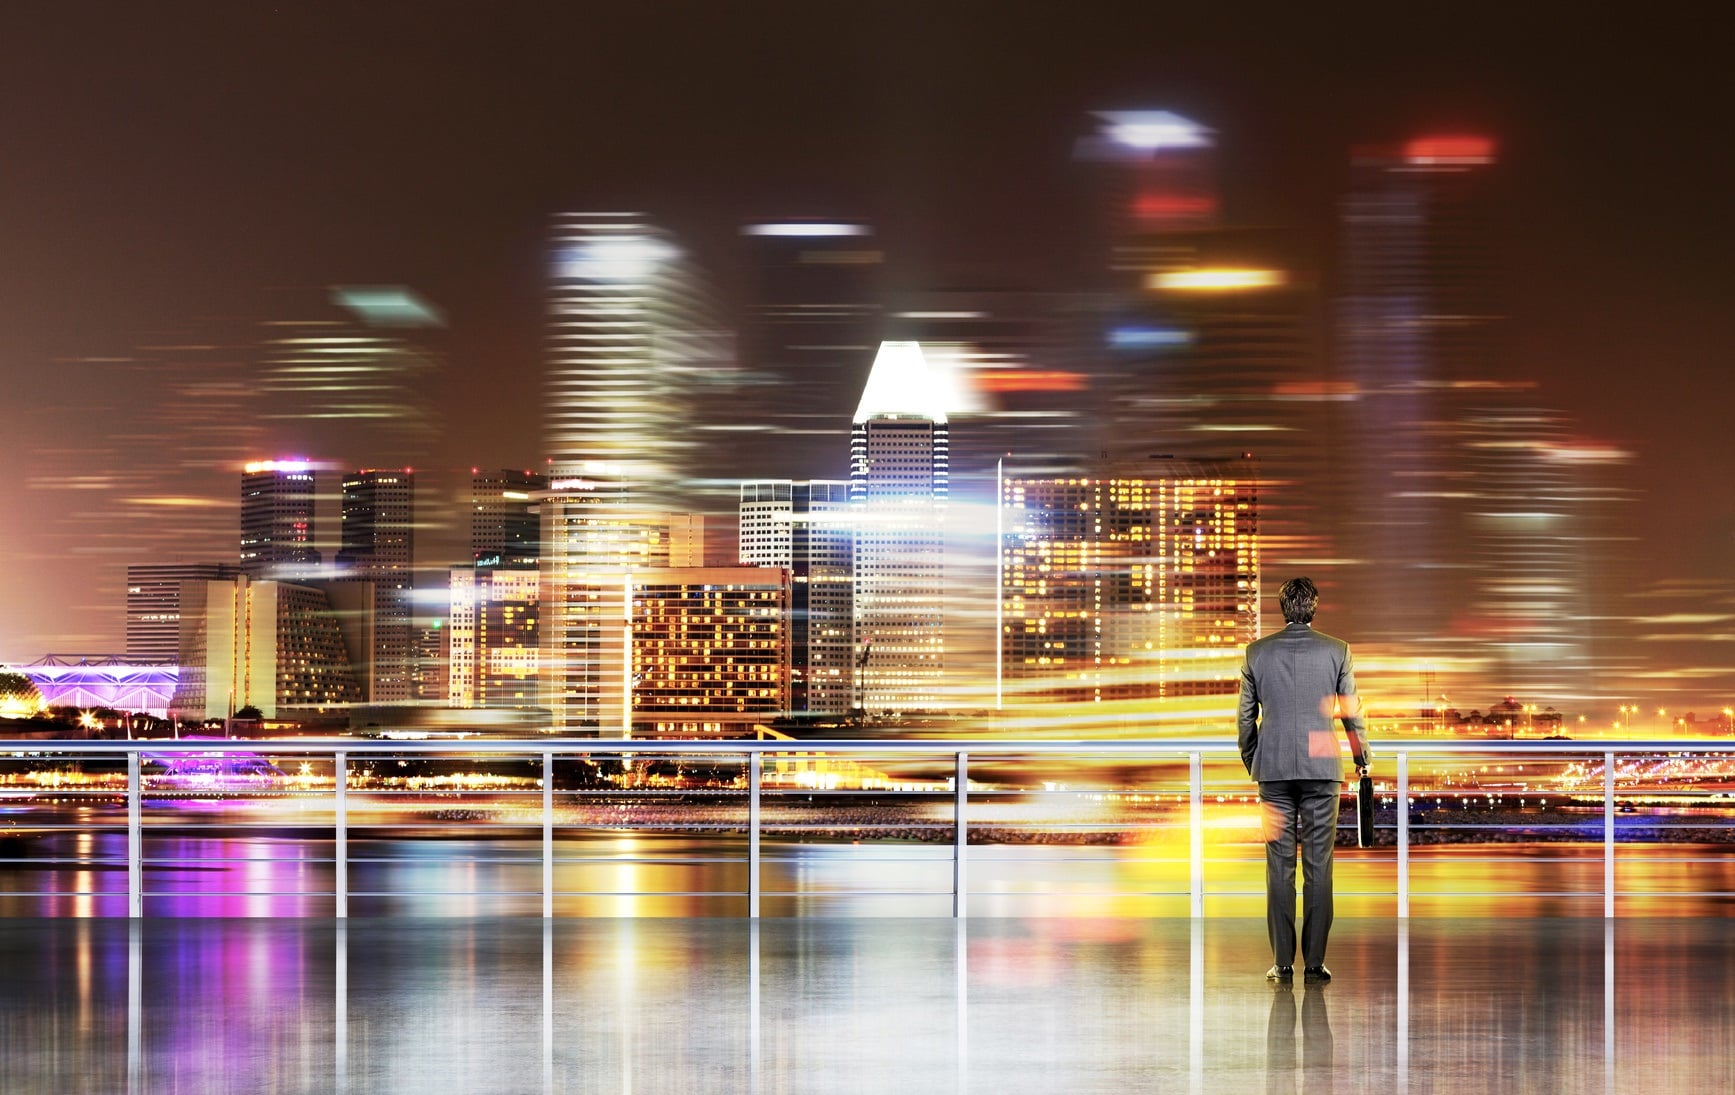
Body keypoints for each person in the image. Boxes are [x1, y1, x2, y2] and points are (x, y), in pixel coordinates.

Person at [1237, 577, 1370, 985]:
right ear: (1313, 608)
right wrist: (1362, 759)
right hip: (1322, 770)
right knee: (1319, 867)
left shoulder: (1256, 653)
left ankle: (1281, 963)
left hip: (1273, 772)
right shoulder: (1338, 651)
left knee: (1278, 868)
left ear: (1282, 608)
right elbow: (1350, 715)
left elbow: (1245, 721)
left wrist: (1255, 761)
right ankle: (1314, 963)